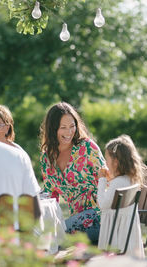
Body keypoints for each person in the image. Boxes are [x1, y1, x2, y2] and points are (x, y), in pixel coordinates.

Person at [39, 102, 106, 244]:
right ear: (52, 129)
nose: (69, 132)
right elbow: (50, 197)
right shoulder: (47, 158)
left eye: (72, 126)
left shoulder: (87, 147)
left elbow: (107, 178)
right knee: (43, 234)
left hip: (101, 215)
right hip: (77, 221)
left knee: (55, 236)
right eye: (63, 128)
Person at [97, 134, 147, 258]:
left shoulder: (117, 183)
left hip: (115, 234)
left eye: (106, 159)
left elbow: (102, 204)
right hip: (126, 233)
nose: (105, 163)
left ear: (116, 162)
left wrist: (102, 180)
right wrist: (112, 180)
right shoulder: (129, 179)